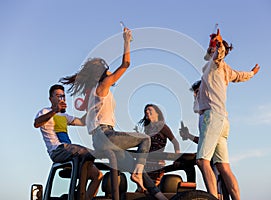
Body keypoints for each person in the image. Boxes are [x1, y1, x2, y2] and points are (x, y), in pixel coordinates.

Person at [60, 28, 167, 200]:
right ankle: (138, 176)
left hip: (99, 139)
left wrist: (67, 120)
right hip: (106, 134)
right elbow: (125, 64)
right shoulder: (103, 86)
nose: (111, 72)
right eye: (108, 70)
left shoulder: (97, 93)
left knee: (134, 165)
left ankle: (160, 197)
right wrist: (126, 41)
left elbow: (83, 120)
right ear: (102, 74)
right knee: (145, 139)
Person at [194, 29, 260, 200]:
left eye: (211, 48)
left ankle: (213, 198)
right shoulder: (226, 70)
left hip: (212, 118)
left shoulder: (214, 65)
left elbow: (219, 54)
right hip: (222, 121)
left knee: (202, 161)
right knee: (224, 167)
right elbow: (240, 76)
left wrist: (219, 43)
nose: (211, 50)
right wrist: (252, 73)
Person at [34, 84, 103, 200]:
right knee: (86, 152)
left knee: (98, 175)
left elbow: (82, 121)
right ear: (51, 98)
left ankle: (82, 194)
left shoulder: (64, 116)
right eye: (58, 96)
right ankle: (79, 189)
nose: (61, 98)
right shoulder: (45, 112)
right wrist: (54, 111)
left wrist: (93, 109)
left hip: (69, 150)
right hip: (57, 150)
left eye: (63, 96)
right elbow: (36, 123)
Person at [138, 104, 180, 186]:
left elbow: (175, 142)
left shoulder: (162, 126)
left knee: (154, 187)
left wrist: (177, 158)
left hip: (156, 163)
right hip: (146, 162)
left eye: (150, 110)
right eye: (145, 110)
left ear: (157, 114)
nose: (147, 111)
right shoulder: (148, 129)